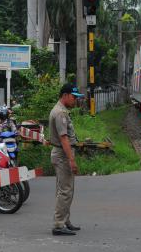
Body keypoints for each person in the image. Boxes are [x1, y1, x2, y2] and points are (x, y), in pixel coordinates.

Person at [48, 83, 83, 236]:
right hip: (62, 154)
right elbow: (64, 139)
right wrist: (72, 160)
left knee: (64, 189)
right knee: (65, 191)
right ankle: (58, 224)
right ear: (65, 95)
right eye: (74, 97)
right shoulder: (60, 113)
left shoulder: (62, 111)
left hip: (62, 154)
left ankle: (65, 221)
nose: (75, 100)